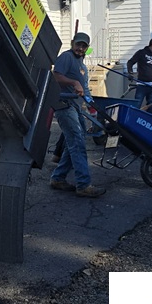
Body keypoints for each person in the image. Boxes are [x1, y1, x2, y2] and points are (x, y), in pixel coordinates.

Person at [50, 32, 106, 198]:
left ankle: (58, 178)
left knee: (73, 143)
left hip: (76, 107)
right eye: (78, 45)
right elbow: (56, 75)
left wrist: (92, 107)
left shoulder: (81, 63)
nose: (80, 48)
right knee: (77, 143)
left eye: (84, 46)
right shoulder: (66, 57)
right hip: (64, 106)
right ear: (73, 43)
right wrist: (73, 82)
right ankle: (83, 184)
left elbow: (84, 88)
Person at [126, 37, 152, 113]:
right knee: (137, 104)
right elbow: (130, 62)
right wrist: (130, 73)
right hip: (142, 84)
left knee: (150, 106)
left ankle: (148, 122)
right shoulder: (141, 53)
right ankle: (133, 120)